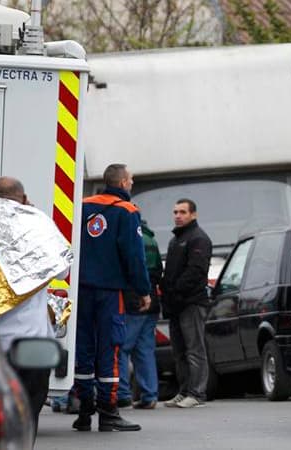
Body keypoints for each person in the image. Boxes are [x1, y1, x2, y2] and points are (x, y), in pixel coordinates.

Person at [0, 176, 72, 437]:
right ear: (23, 197)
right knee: (27, 420)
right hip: (34, 345)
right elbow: (63, 271)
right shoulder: (37, 223)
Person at [74, 163, 151, 432]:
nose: (132, 184)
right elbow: (134, 256)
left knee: (83, 347)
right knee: (110, 347)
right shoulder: (127, 211)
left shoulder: (81, 205)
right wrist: (143, 290)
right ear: (121, 183)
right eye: (130, 180)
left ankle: (83, 409)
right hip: (109, 293)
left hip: (80, 289)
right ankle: (108, 411)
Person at [163, 198, 213, 408]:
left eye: (182, 212)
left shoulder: (198, 238)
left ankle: (197, 393)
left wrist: (176, 290)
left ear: (193, 214)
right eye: (175, 212)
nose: (178, 216)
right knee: (179, 351)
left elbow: (196, 271)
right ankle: (184, 391)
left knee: (195, 349)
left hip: (191, 302)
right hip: (175, 304)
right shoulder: (176, 240)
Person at [118, 220, 163, 409]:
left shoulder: (133, 238)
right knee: (144, 350)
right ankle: (149, 394)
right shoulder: (151, 240)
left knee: (121, 348)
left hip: (134, 300)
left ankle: (122, 393)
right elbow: (158, 271)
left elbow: (132, 269)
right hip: (152, 300)